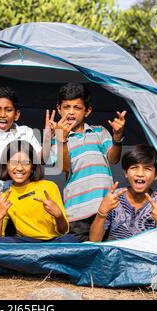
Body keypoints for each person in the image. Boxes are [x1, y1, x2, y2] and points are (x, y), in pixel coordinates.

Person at [47, 82, 127, 242]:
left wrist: (117, 139)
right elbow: (64, 167)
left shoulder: (99, 131)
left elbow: (114, 159)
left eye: (77, 108)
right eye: (66, 107)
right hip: (77, 212)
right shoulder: (56, 140)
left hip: (105, 206)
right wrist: (62, 139)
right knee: (79, 251)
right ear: (58, 109)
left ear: (87, 111)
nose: (70, 112)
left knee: (106, 250)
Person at [0, 140, 78, 243]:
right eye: (13, 162)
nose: (19, 168)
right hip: (26, 244)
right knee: (3, 242)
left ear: (33, 167)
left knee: (71, 239)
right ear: (6, 165)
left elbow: (63, 231)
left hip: (52, 242)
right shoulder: (5, 197)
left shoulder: (49, 187)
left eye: (26, 163)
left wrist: (59, 216)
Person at [0, 86, 52, 194]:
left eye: (8, 110)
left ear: (16, 114)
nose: (3, 115)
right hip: (4, 194)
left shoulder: (26, 132)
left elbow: (41, 159)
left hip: (30, 192)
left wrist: (47, 140)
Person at [89, 144, 157, 242]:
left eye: (147, 169)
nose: (140, 174)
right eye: (134, 167)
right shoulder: (114, 198)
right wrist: (102, 212)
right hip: (113, 255)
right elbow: (94, 241)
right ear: (126, 172)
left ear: (156, 175)